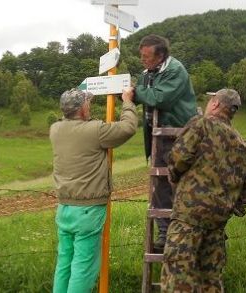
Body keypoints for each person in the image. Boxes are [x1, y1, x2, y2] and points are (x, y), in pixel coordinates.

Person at [161, 89, 246, 292]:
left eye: (211, 100)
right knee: (210, 280)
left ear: (216, 104)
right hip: (217, 223)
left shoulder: (202, 124)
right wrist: (232, 205)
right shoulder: (241, 142)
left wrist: (175, 180)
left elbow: (178, 158)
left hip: (188, 217)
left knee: (178, 279)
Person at [50, 87, 138, 293]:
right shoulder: (95, 131)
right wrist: (127, 102)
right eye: (87, 103)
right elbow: (128, 128)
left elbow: (80, 128)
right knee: (84, 267)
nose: (89, 105)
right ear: (81, 110)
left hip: (64, 207)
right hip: (88, 211)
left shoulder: (55, 129)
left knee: (64, 263)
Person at [133, 34, 198, 251]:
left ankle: (190, 229)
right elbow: (142, 96)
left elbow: (160, 98)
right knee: (160, 185)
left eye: (147, 56)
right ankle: (165, 232)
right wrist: (126, 93)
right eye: (141, 56)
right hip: (156, 136)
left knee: (182, 182)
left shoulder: (175, 70)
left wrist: (137, 92)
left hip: (177, 135)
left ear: (161, 55)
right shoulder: (147, 74)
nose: (143, 60)